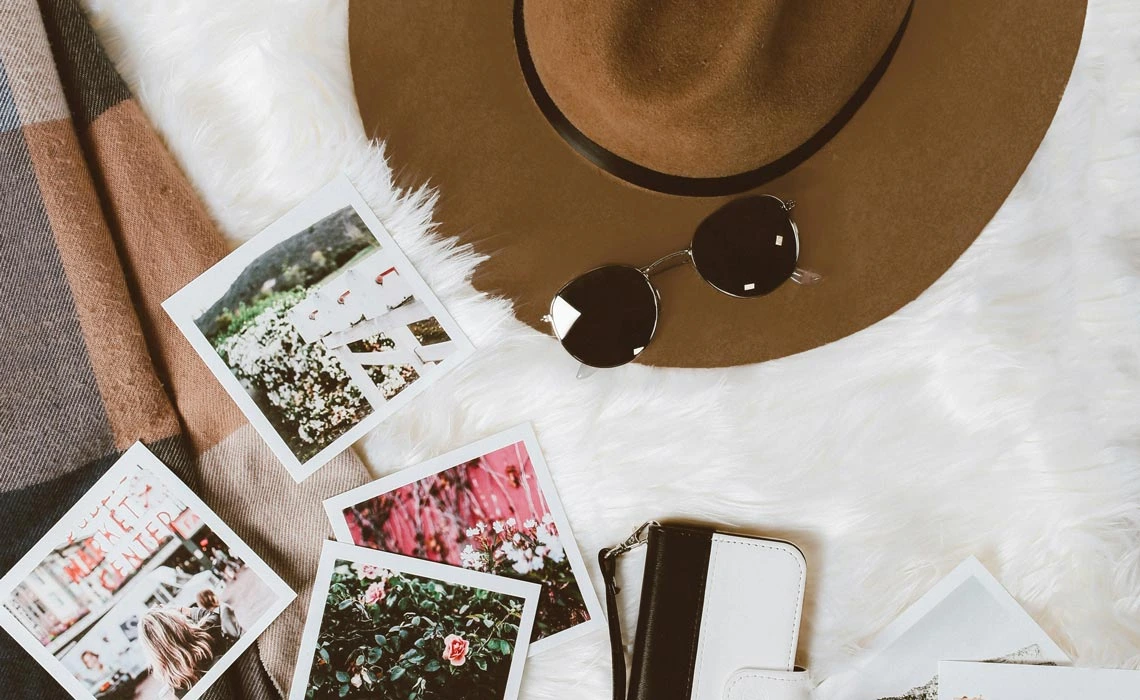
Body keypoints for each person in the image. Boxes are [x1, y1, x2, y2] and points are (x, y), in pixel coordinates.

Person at [137, 608, 221, 697]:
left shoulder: (178, 686)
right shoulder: (208, 636)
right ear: (175, 623)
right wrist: (183, 609)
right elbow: (214, 615)